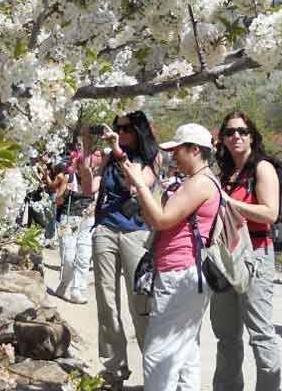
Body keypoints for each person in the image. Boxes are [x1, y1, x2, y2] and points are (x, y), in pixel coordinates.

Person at [121, 123, 218, 391]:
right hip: (188, 274)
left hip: (180, 274)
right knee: (186, 354)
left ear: (195, 150)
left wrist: (140, 184)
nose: (174, 157)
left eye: (178, 150)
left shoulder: (199, 183)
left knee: (158, 355)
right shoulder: (202, 182)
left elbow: (161, 220)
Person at [78, 111, 161, 390]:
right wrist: (87, 151)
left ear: (138, 131)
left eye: (126, 128)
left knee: (140, 301)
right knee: (106, 300)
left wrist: (116, 150)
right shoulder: (108, 158)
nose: (121, 132)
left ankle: (153, 368)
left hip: (137, 233)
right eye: (117, 128)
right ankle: (114, 368)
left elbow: (137, 183)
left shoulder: (150, 158)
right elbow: (89, 188)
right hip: (105, 230)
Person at [211, 111, 281, 391]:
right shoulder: (225, 173)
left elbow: (270, 213)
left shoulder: (262, 168)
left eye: (241, 131)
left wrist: (229, 202)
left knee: (261, 334)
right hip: (226, 257)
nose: (236, 136)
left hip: (255, 256)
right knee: (226, 336)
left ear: (252, 136)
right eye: (229, 132)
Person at [54, 152, 95, 304]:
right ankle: (64, 284)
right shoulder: (68, 177)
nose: (86, 167)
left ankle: (77, 290)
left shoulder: (95, 179)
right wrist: (64, 192)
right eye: (83, 163)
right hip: (68, 220)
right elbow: (58, 200)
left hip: (88, 221)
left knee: (84, 257)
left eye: (89, 164)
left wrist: (95, 206)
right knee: (69, 257)